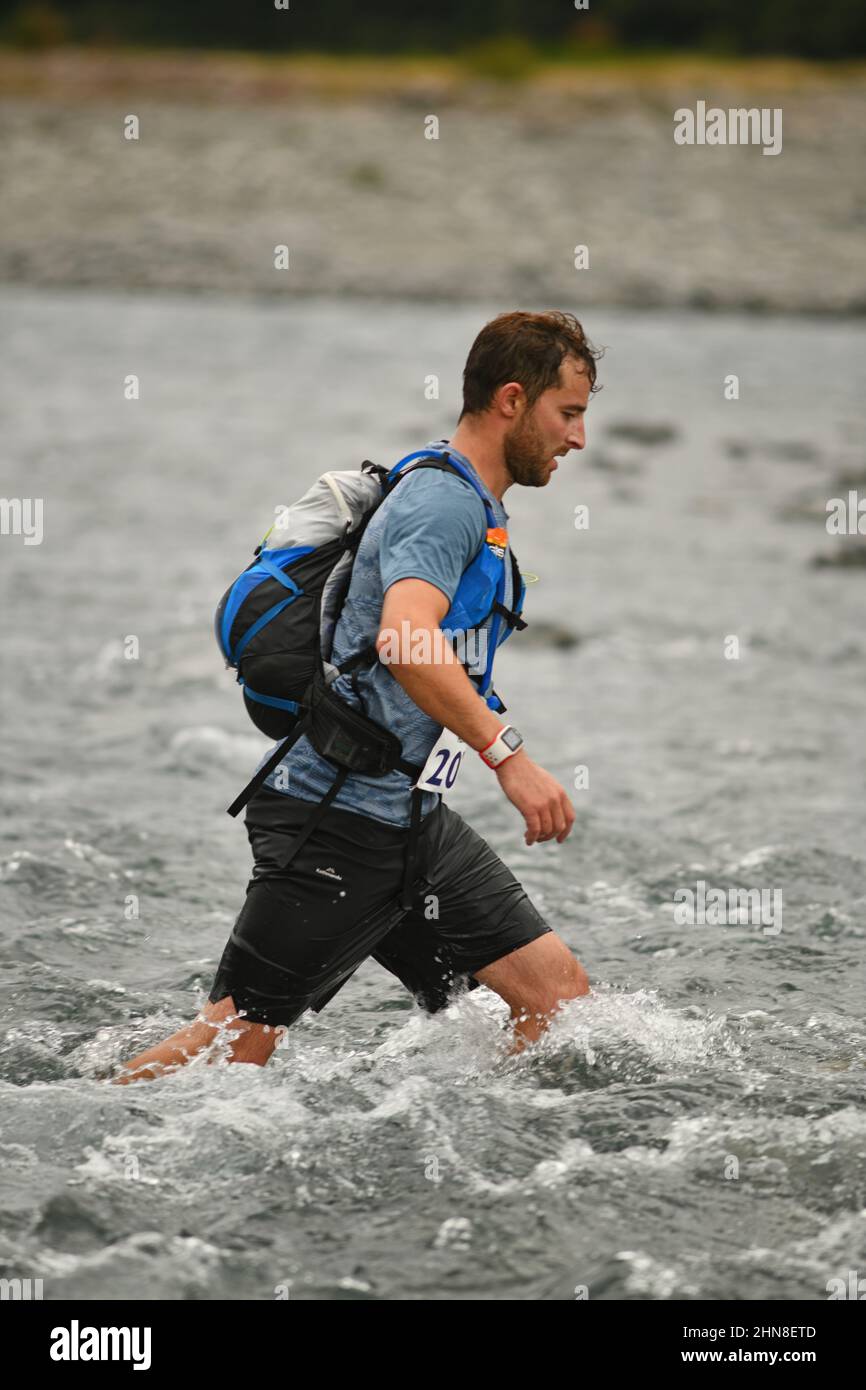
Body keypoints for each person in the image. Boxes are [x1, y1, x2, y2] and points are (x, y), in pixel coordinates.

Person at [114, 309, 599, 1085]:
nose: (578, 439)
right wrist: (509, 756)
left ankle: (477, 1168)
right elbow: (405, 640)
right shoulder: (443, 504)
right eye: (568, 413)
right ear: (512, 399)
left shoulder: (474, 502)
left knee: (556, 1000)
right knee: (232, 1047)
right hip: (334, 821)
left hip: (408, 821)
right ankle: (75, 1126)